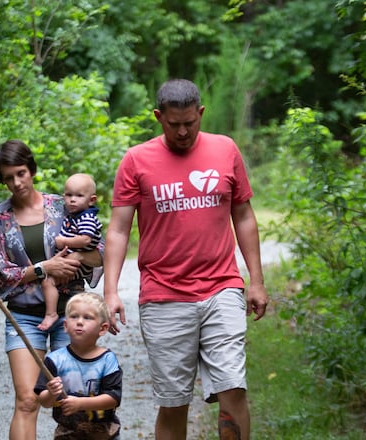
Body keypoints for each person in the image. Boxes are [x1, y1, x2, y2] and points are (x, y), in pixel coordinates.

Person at [102, 79, 269, 440]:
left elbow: (243, 214)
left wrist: (255, 280)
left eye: (190, 123)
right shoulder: (136, 160)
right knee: (174, 401)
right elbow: (118, 230)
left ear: (201, 114)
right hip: (164, 296)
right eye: (173, 123)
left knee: (233, 387)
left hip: (221, 288)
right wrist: (110, 291)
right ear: (159, 117)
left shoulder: (225, 150)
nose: (182, 131)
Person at [0, 139, 104, 440]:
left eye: (21, 173)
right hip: (24, 318)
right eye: (8, 177)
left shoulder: (64, 207)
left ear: (32, 170)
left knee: (74, 400)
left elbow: (100, 252)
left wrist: (74, 258)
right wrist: (42, 269)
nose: (16, 182)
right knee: (27, 400)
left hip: (72, 316)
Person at [35, 292, 122, 439]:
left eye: (87, 317)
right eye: (74, 316)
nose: (79, 322)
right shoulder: (54, 359)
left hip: (104, 434)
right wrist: (51, 393)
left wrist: (81, 404)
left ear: (103, 328)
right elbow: (44, 401)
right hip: (67, 433)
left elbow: (113, 398)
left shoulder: (107, 360)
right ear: (65, 326)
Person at [38, 173, 103, 331]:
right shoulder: (75, 216)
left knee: (48, 281)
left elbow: (86, 240)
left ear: (91, 200)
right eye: (68, 195)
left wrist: (64, 241)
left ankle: (51, 313)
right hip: (73, 260)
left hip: (78, 264)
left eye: (79, 195)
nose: (72, 199)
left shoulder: (86, 218)